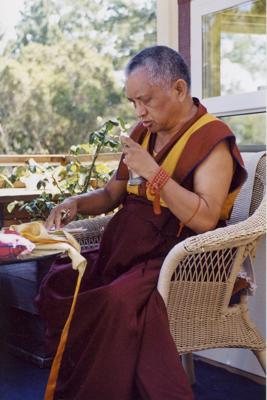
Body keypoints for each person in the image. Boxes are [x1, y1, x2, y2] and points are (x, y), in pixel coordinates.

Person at [37, 45, 247, 400]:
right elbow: (111, 195)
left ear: (179, 90)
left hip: (178, 255)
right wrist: (74, 202)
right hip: (127, 249)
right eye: (133, 102)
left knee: (117, 304)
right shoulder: (142, 134)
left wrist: (155, 174)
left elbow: (207, 218)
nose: (139, 111)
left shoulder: (212, 140)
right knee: (61, 281)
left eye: (146, 100)